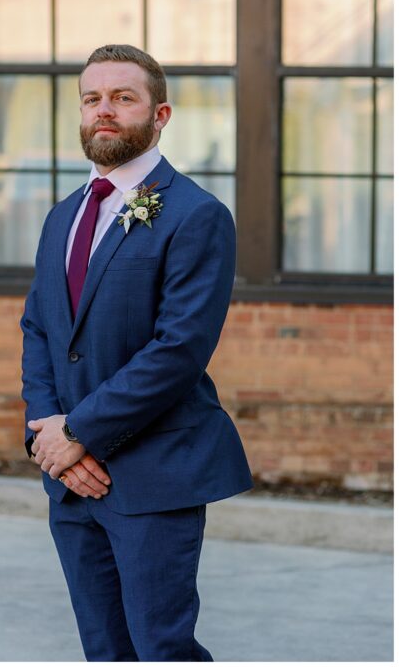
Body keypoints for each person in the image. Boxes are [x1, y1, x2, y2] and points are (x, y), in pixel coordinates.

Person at [20, 44, 252, 661]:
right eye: (93, 98)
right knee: (104, 648)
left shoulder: (197, 215)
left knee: (162, 647)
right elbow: (39, 329)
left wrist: (80, 432)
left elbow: (178, 350)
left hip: (154, 474)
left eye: (123, 98)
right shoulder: (62, 217)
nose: (105, 110)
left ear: (161, 114)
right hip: (70, 479)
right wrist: (49, 437)